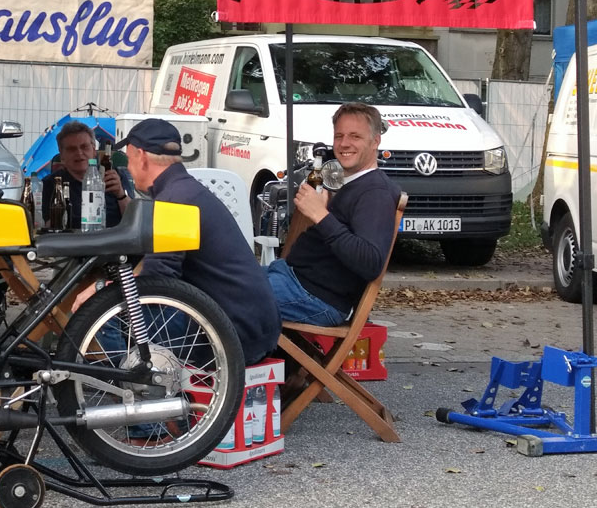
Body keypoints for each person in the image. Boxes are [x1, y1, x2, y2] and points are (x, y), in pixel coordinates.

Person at [79, 118, 279, 366]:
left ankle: (131, 385)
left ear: (141, 156)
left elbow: (158, 278)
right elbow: (154, 265)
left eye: (129, 160)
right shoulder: (185, 190)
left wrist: (100, 288)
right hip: (253, 326)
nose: (128, 169)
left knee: (101, 309)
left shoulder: (173, 200)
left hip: (233, 336)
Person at [267, 102, 401, 327]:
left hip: (315, 298)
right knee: (213, 283)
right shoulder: (352, 183)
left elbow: (370, 262)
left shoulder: (375, 192)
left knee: (218, 298)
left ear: (375, 141)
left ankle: (205, 360)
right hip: (292, 279)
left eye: (355, 136)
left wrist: (321, 214)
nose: (344, 143)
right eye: (339, 136)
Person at [41, 121, 131, 229]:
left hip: (114, 240)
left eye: (84, 147)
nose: (79, 153)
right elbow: (48, 225)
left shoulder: (114, 176)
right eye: (72, 149)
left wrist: (121, 194)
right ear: (62, 155)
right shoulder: (52, 184)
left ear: (93, 150)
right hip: (71, 242)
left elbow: (134, 220)